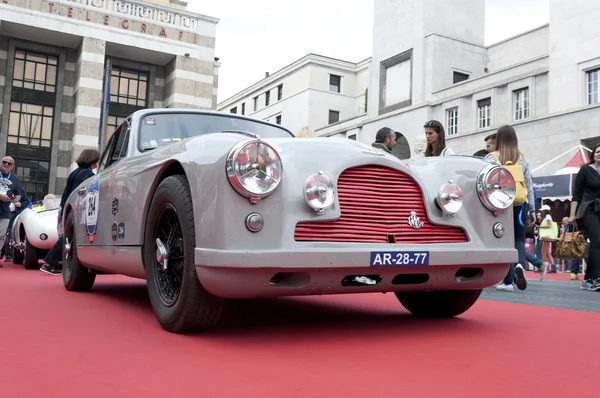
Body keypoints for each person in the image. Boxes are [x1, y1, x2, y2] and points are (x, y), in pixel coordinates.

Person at [484, 125, 535, 292]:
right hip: (520, 203)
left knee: (503, 242)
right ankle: (520, 265)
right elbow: (529, 184)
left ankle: (507, 281)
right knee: (519, 240)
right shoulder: (523, 159)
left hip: (500, 204)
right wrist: (533, 209)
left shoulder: (491, 158)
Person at [40, 149, 100, 276]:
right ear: (92, 160)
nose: (97, 163)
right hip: (74, 209)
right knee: (67, 237)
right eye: (96, 160)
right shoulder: (86, 174)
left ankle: (52, 262)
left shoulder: (76, 172)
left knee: (67, 237)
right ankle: (49, 262)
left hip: (65, 207)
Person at [568, 142, 600, 291]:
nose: (599, 153)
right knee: (597, 240)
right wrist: (572, 215)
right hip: (588, 209)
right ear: (593, 154)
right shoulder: (586, 170)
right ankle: (596, 278)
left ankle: (588, 279)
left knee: (597, 244)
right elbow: (577, 193)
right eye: (597, 151)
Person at [0, 156, 24, 268]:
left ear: (12, 167)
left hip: (5, 211)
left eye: (9, 163)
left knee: (2, 235)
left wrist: (14, 200)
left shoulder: (14, 179)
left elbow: (18, 195)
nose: (5, 164)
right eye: (4, 162)